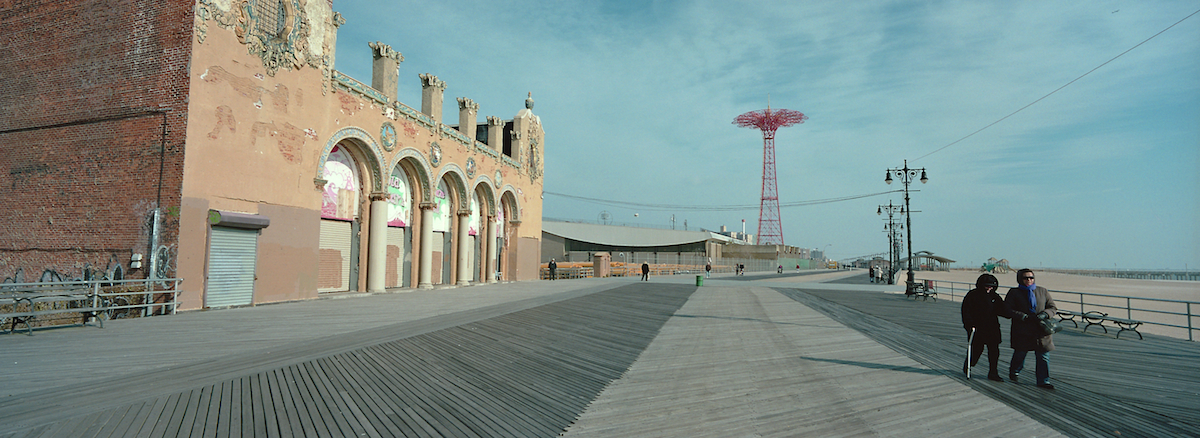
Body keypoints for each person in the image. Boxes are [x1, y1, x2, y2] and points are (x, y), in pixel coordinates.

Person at [961, 273, 1024, 381]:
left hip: (992, 327)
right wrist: (968, 324)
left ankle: (993, 372)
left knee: (994, 351)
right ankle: (968, 365)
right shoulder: (972, 295)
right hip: (976, 327)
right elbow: (965, 311)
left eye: (991, 286)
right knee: (976, 350)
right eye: (987, 286)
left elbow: (1001, 310)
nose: (989, 288)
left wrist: (1011, 313)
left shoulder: (995, 296)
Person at [1005, 268, 1058, 389]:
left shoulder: (1042, 291)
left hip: (1041, 330)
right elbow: (1007, 309)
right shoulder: (1014, 292)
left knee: (1043, 356)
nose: (1029, 280)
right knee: (1020, 354)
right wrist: (1022, 316)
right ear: (1019, 279)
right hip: (1022, 330)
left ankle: (1043, 381)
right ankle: (1014, 371)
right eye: (1025, 278)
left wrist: (1045, 314)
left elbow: (1052, 307)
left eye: (1031, 277)